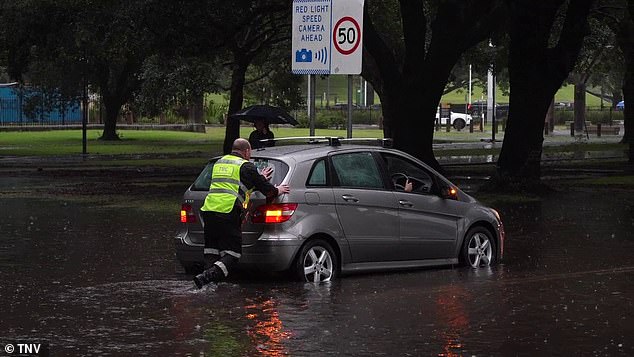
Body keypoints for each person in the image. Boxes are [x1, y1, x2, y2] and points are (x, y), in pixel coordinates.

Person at [193, 138, 290, 289]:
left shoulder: (219, 163)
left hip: (209, 210)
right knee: (233, 254)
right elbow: (267, 190)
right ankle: (207, 277)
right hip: (227, 211)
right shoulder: (246, 166)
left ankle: (206, 287)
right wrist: (278, 190)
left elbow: (235, 184)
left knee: (211, 251)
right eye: (249, 153)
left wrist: (260, 177)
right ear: (246, 152)